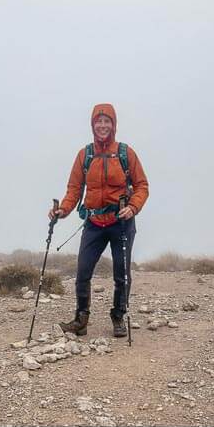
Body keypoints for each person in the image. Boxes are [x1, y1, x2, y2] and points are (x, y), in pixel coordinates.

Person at [49, 103, 149, 337]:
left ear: (113, 125)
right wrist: (62, 210)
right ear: (92, 125)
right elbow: (74, 189)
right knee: (83, 271)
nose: (102, 125)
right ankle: (81, 320)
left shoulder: (125, 153)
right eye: (98, 121)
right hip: (94, 223)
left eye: (107, 121)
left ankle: (118, 316)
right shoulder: (85, 155)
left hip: (121, 222)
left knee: (121, 274)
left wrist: (133, 207)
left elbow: (142, 185)